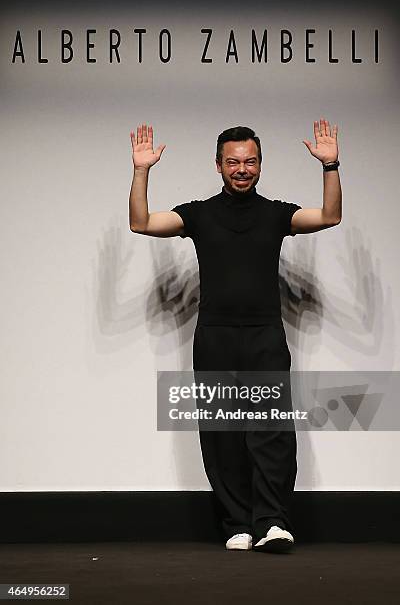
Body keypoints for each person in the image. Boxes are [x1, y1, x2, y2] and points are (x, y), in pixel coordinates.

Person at [129, 120, 342, 553]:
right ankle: (236, 525)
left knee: (271, 432)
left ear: (260, 165)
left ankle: (273, 523)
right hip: (215, 338)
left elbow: (330, 216)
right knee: (222, 433)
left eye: (250, 161)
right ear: (219, 165)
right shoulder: (200, 213)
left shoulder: (275, 213)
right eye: (233, 162)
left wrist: (330, 165)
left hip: (264, 336)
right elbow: (142, 223)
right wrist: (140, 171)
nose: (242, 169)